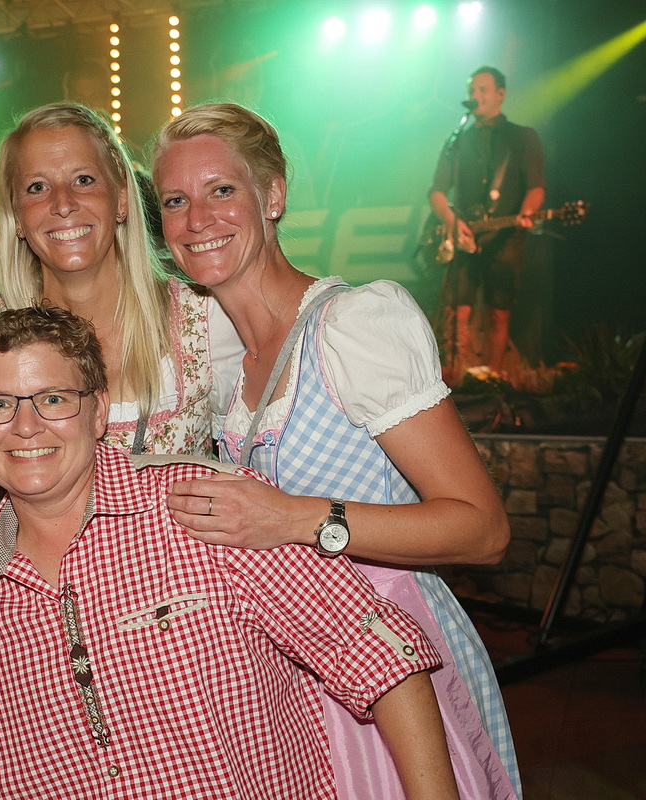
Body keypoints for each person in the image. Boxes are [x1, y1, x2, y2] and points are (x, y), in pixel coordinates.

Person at [0, 304, 462, 800]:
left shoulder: (203, 510)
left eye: (52, 398)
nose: (25, 426)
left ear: (99, 409)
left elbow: (381, 656)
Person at [153, 103, 519, 798]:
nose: (197, 218)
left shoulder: (353, 326)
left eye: (221, 190)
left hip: (395, 668)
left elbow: (483, 529)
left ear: (273, 196)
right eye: (175, 200)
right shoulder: (221, 355)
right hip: (286, 678)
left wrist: (294, 518)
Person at [0, 102, 242, 457]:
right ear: (16, 217)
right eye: (37, 187)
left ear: (121, 199)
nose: (63, 204)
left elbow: (246, 464)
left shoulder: (207, 322)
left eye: (83, 180)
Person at [428, 66, 545, 377]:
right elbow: (437, 191)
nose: (475, 95)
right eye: (471, 90)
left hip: (505, 236)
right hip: (464, 234)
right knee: (455, 309)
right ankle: (456, 377)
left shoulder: (522, 137)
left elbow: (536, 186)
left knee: (498, 310)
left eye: (482, 90)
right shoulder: (458, 141)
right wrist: (451, 221)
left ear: (500, 94)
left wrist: (528, 211)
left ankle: (492, 379)